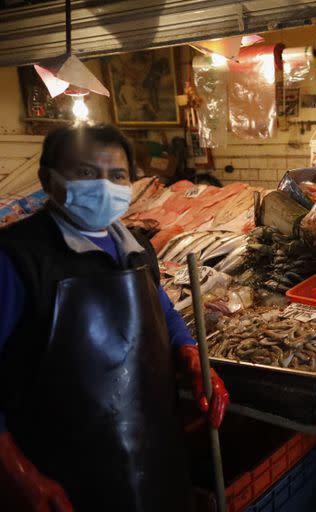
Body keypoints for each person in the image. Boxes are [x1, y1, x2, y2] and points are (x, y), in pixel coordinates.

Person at [0, 124, 230, 511]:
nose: (103, 186)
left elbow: (162, 310)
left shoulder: (136, 246)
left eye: (117, 175)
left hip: (149, 456)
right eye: (86, 174)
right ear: (48, 179)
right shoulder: (16, 258)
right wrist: (21, 475)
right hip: (62, 474)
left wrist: (188, 350)